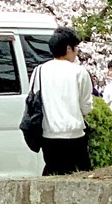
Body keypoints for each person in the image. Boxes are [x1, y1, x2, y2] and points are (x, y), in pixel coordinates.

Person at [37, 27, 95, 175]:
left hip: (48, 136)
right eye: (76, 48)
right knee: (80, 179)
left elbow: (34, 101)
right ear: (69, 48)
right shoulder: (79, 72)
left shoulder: (39, 71)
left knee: (53, 178)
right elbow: (86, 105)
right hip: (74, 136)